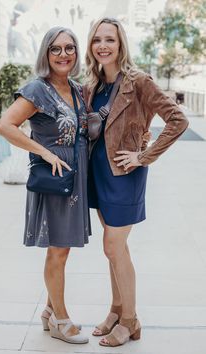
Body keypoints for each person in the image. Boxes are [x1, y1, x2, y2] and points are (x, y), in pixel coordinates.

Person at [84, 17, 189, 347]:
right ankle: (116, 311)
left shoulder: (138, 80)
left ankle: (130, 320)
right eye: (97, 39)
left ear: (120, 44)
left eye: (110, 40)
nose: (103, 45)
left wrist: (144, 155)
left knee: (112, 246)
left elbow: (178, 119)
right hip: (98, 174)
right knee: (115, 250)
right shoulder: (92, 85)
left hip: (125, 176)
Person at [0, 27, 91, 344]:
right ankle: (62, 321)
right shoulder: (37, 89)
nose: (64, 54)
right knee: (58, 250)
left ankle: (50, 312)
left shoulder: (77, 89)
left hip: (75, 177)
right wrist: (44, 151)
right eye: (56, 49)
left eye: (70, 48)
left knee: (63, 247)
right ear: (45, 54)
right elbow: (5, 125)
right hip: (55, 178)